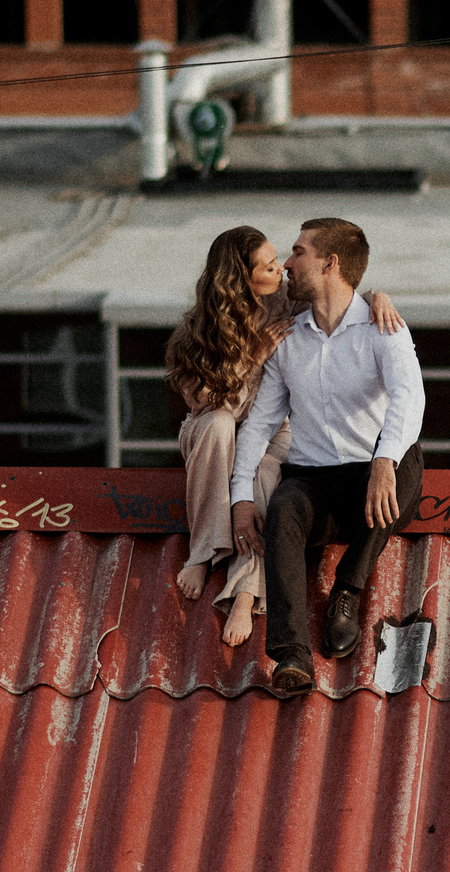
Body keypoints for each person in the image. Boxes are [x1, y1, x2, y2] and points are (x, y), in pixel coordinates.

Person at [165, 225, 402, 646]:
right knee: (221, 426)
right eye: (269, 266)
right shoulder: (197, 330)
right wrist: (253, 357)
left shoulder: (282, 299)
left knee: (266, 476)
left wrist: (375, 298)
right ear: (241, 277)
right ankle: (202, 553)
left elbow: (334, 292)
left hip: (267, 427)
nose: (282, 270)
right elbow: (207, 403)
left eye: (281, 260)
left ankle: (246, 590)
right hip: (211, 430)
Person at [229, 216, 425, 696]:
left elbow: (410, 396)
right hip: (314, 480)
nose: (289, 264)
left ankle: (347, 591)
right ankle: (292, 656)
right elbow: (260, 422)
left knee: (405, 466)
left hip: (371, 480)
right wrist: (239, 497)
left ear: (330, 262)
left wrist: (383, 460)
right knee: (283, 509)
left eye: (298, 252)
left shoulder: (384, 327)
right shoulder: (288, 338)